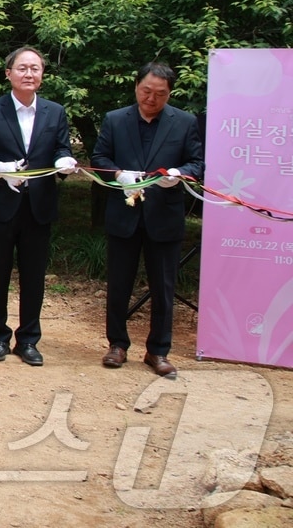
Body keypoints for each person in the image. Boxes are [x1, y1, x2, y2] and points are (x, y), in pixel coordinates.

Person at [91, 61, 204, 377]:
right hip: (124, 215)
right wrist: (118, 174)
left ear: (169, 94)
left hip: (164, 217)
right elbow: (99, 158)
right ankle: (117, 344)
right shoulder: (115, 120)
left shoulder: (183, 122)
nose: (151, 99)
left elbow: (197, 162)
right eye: (146, 91)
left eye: (160, 94)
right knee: (119, 284)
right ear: (136, 87)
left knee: (164, 287)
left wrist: (180, 175)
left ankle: (158, 350)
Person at [0, 47, 78, 367]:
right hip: (1, 205)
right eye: (22, 68)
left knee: (34, 276)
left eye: (35, 69)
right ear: (9, 74)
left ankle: (29, 339)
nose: (29, 74)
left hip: (38, 206)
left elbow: (62, 147)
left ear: (42, 75)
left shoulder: (54, 112)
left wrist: (64, 161)